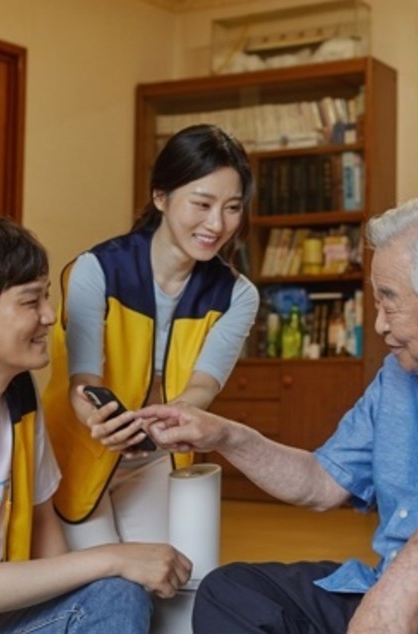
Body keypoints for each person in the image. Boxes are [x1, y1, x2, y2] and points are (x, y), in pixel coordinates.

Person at [129, 195, 418, 632]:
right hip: (387, 590)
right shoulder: (400, 374)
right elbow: (322, 482)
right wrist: (225, 437)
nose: (381, 325)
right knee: (232, 592)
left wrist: (398, 592)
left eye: (390, 302)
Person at [0, 218, 191, 633]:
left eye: (47, 296)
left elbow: (44, 525)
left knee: (116, 593)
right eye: (30, 302)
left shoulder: (18, 392)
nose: (49, 315)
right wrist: (117, 556)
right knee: (116, 579)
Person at [41, 123, 259, 549]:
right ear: (161, 197)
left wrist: (161, 424)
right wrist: (107, 425)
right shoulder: (97, 270)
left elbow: (202, 385)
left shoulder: (238, 295)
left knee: (166, 579)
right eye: (202, 203)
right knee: (109, 588)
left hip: (157, 456)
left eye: (232, 207)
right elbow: (83, 381)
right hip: (83, 450)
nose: (217, 223)